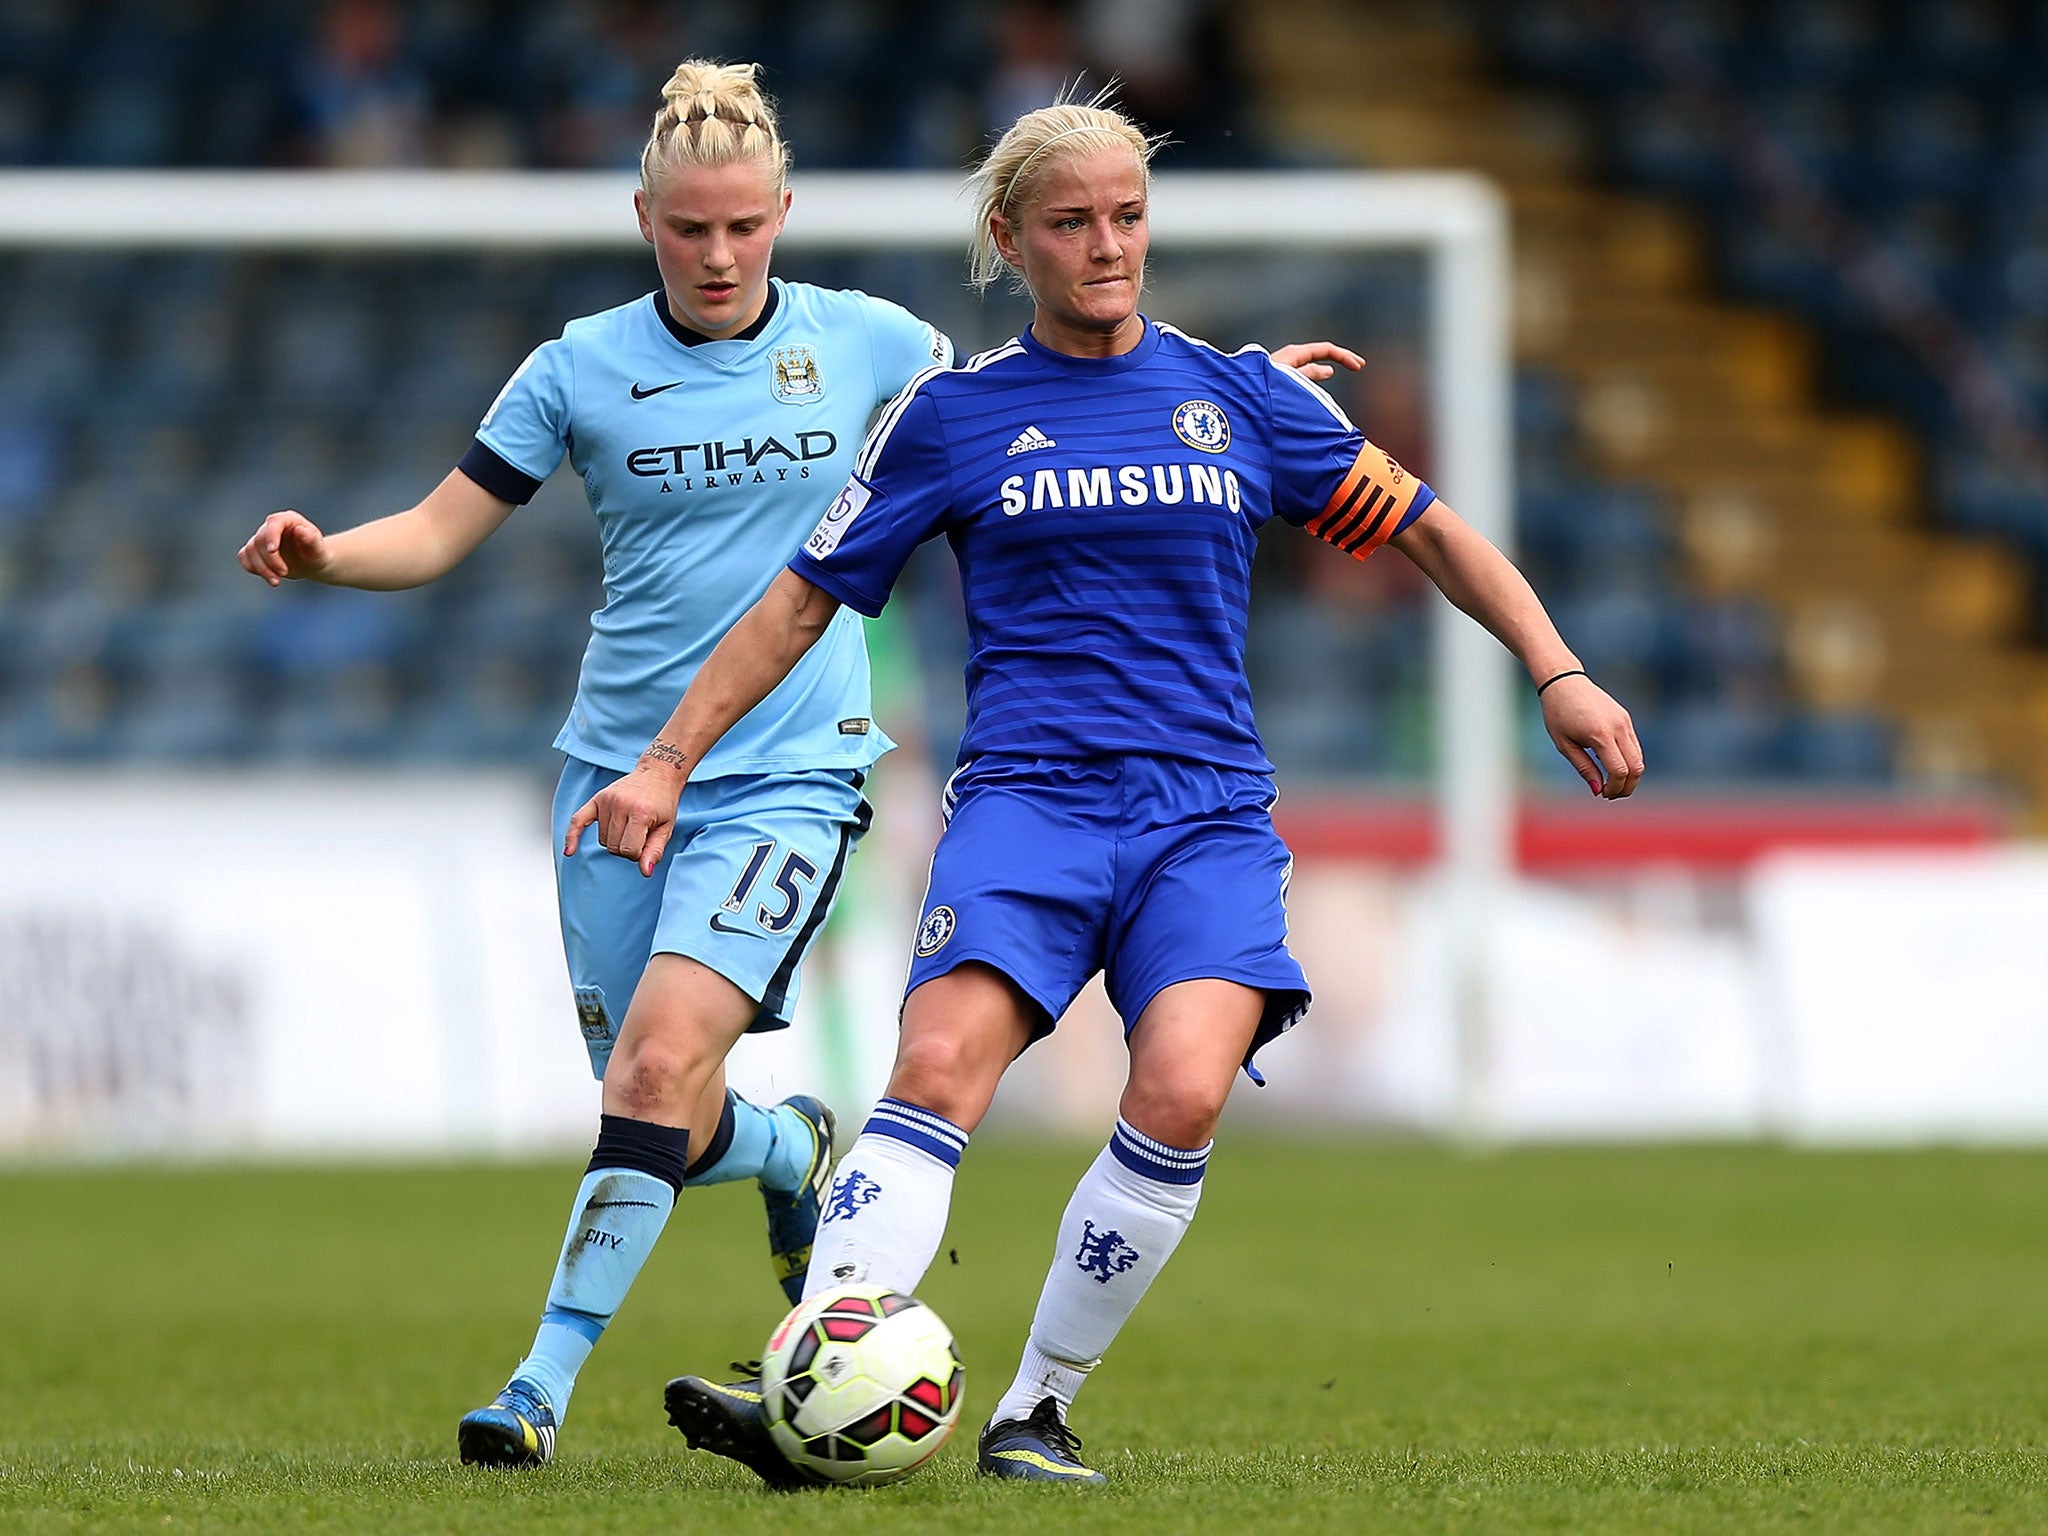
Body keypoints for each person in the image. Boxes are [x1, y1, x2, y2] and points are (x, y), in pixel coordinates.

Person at [579, 91, 1644, 1487]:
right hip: (1028, 803)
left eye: (1128, 217)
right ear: (1012, 241)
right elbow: (796, 605)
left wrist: (1558, 671)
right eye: (1072, 222)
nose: (1107, 245)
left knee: (1186, 1093)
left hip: (1204, 814)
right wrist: (666, 760)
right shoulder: (952, 419)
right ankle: (816, 1371)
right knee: (938, 1068)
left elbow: (1439, 535)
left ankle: (1036, 1405)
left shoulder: (1245, 398)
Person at [237, 60, 951, 1469]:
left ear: (784, 211)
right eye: (690, 229)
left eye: (745, 226)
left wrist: (1216, 386)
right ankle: (790, 1152)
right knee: (662, 1118)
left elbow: (1032, 410)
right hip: (609, 785)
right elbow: (441, 529)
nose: (720, 255)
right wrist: (327, 555)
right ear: (644, 218)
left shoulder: (876, 344)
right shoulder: (575, 364)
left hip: (785, 777)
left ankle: (535, 1390)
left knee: (652, 1073)